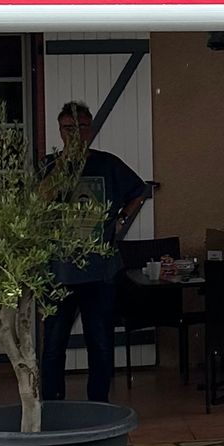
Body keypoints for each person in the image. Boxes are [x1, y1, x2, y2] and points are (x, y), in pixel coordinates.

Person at [39, 102, 150, 404]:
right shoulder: (49, 165)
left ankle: (99, 407)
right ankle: (52, 406)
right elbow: (36, 202)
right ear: (60, 130)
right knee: (52, 346)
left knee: (100, 344)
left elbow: (139, 191)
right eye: (69, 128)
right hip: (58, 272)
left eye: (83, 127)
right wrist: (64, 164)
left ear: (92, 129)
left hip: (100, 271)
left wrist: (121, 220)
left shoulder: (108, 165)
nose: (76, 133)